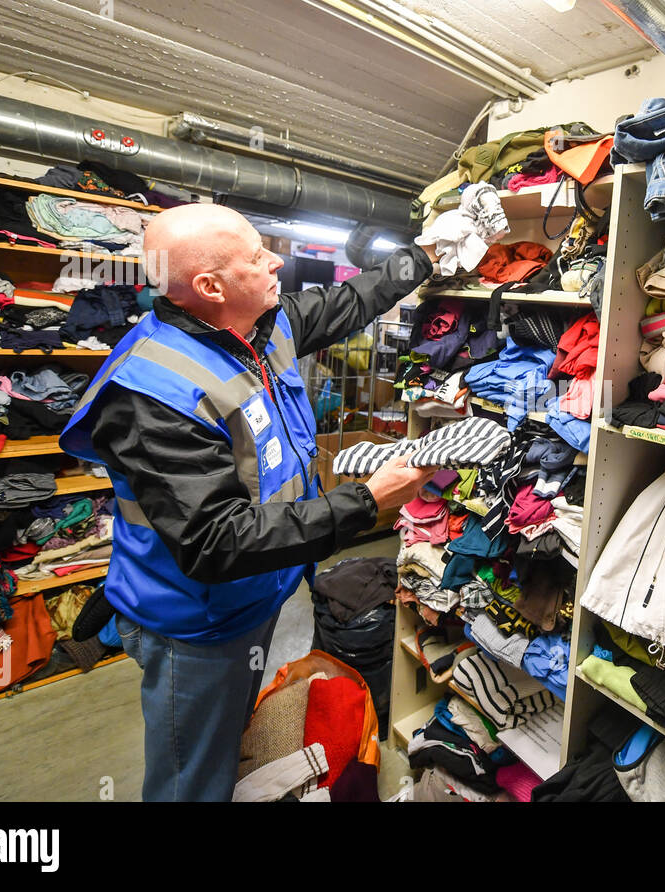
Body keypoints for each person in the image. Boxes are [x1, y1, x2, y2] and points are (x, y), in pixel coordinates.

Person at [61, 203, 437, 801]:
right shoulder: (152, 391)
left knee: (229, 745)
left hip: (255, 597)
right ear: (210, 286)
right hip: (196, 623)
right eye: (257, 256)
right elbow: (218, 540)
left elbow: (348, 303)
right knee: (192, 779)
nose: (276, 261)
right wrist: (366, 501)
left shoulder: (260, 326)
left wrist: (426, 256)